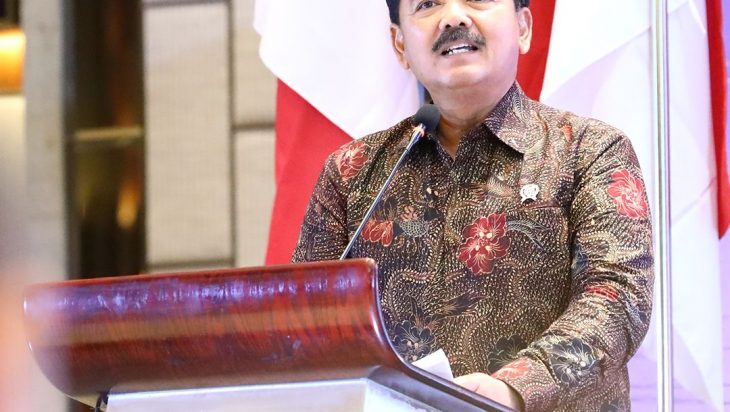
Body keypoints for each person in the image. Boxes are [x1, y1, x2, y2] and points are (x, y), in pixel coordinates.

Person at [292, 0, 654, 410]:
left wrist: (513, 391)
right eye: (428, 4)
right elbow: (305, 321)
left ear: (523, 27)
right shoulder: (352, 173)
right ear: (399, 45)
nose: (453, 17)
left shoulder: (589, 150)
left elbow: (619, 298)